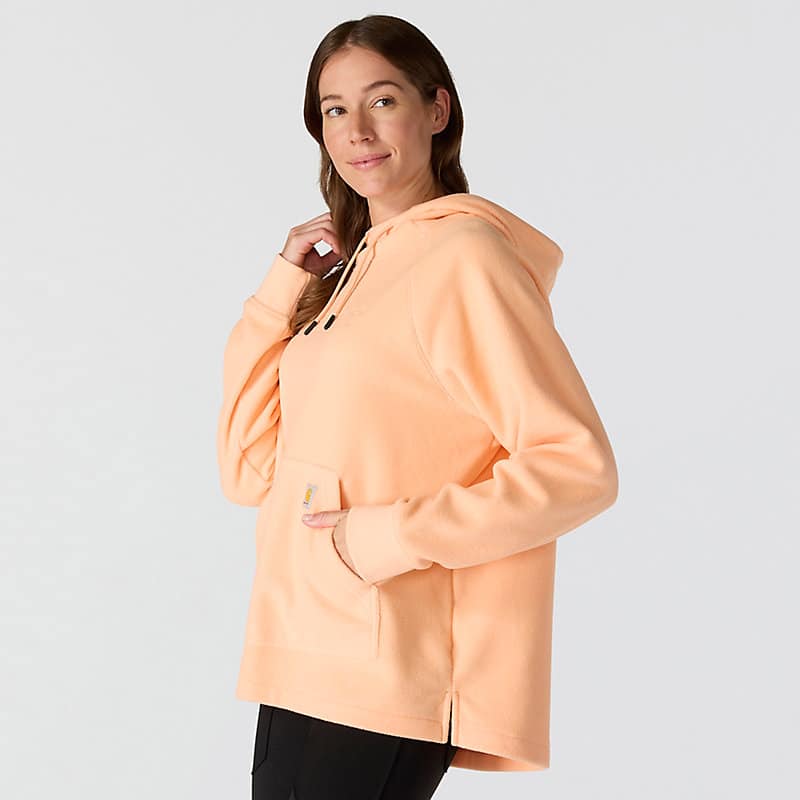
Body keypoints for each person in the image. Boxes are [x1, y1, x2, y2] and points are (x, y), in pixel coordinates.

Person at [216, 13, 619, 800]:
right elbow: (247, 467)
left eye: (383, 100)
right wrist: (280, 292)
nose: (357, 131)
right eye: (335, 109)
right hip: (299, 644)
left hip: (389, 662)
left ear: (436, 110)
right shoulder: (348, 276)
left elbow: (578, 467)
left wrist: (387, 536)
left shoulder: (465, 258)